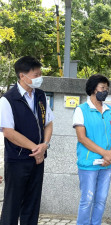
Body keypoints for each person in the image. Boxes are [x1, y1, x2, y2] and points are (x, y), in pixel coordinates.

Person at [0, 56, 54, 225]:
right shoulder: (8, 100)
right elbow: (9, 132)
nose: (39, 78)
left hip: (38, 160)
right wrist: (35, 148)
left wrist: (44, 145)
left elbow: (49, 123)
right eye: (36, 74)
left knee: (32, 204)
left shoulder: (40, 96)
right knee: (12, 204)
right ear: (22, 76)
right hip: (18, 160)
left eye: (39, 74)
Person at [72, 74, 111, 225]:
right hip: (89, 163)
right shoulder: (81, 110)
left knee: (101, 199)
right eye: (102, 88)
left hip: (107, 163)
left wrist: (110, 154)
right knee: (87, 199)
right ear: (93, 89)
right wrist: (104, 153)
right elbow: (82, 138)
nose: (105, 91)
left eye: (107, 88)